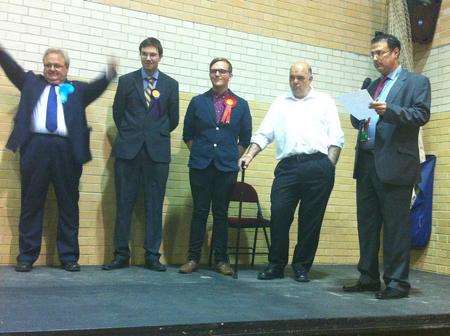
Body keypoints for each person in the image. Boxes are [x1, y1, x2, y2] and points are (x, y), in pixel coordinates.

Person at [0, 44, 117, 272]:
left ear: (66, 68)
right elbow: (12, 69)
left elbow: (97, 87)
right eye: (48, 65)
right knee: (31, 204)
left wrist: (109, 73)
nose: (53, 69)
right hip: (35, 149)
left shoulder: (76, 90)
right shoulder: (31, 83)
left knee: (68, 206)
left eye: (57, 65)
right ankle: (26, 257)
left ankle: (69, 257)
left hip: (67, 153)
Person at [343, 32, 431, 299]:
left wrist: (389, 109)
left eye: (380, 53)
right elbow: (362, 121)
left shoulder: (416, 82)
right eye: (372, 54)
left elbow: (421, 114)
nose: (375, 58)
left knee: (395, 228)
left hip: (396, 165)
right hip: (367, 164)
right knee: (367, 225)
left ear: (395, 53)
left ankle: (397, 283)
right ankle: (368, 277)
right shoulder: (372, 85)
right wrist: (357, 113)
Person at [239, 60, 344, 283]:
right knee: (279, 215)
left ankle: (301, 266)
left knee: (310, 220)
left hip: (318, 166)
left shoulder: (324, 101)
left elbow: (337, 138)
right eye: (292, 77)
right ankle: (276, 265)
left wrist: (328, 167)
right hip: (288, 167)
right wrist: (249, 155)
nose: (295, 82)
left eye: (300, 78)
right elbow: (264, 134)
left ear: (310, 79)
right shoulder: (280, 102)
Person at [103, 37, 179, 272]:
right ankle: (120, 254)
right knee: (123, 204)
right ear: (140, 55)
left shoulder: (170, 84)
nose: (148, 58)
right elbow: (118, 113)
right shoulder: (127, 82)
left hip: (157, 155)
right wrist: (132, 134)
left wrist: (153, 134)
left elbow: (173, 119)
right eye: (145, 54)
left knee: (154, 206)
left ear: (160, 56)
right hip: (128, 152)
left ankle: (152, 256)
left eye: (153, 54)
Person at [179, 58, 252, 276]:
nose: (217, 74)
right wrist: (203, 153)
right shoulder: (197, 102)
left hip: (226, 168)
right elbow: (187, 135)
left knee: (221, 214)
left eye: (222, 71)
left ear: (230, 75)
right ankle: (193, 258)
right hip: (200, 166)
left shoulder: (241, 104)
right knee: (199, 212)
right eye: (214, 71)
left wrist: (229, 157)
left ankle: (221, 260)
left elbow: (245, 139)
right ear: (210, 74)